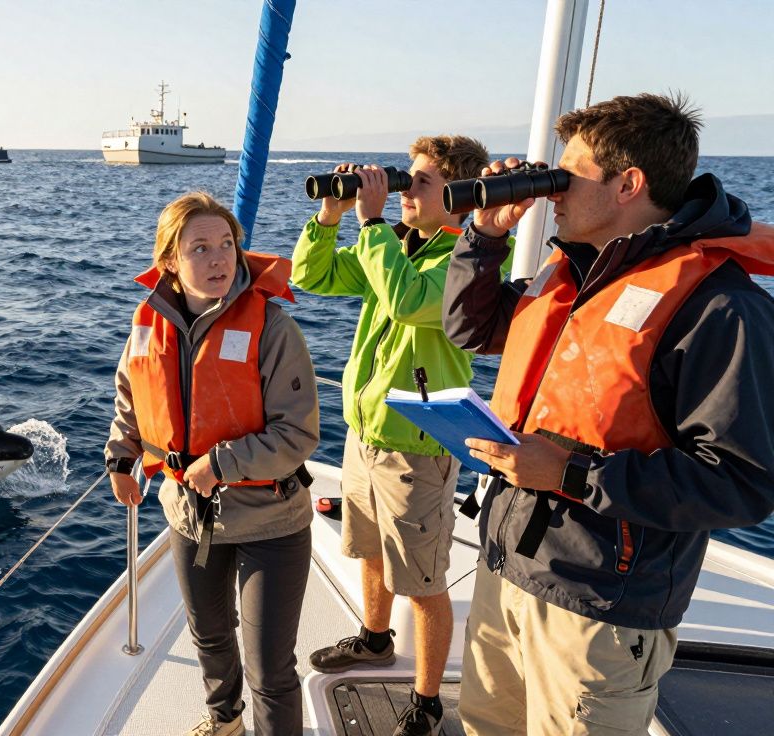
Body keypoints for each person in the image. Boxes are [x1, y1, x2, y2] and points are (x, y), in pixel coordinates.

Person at [442, 92, 774, 735]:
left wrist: (571, 475)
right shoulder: (574, 274)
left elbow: (742, 481)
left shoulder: (719, 307)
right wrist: (484, 234)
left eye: (569, 175)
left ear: (630, 183)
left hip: (599, 609)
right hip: (508, 567)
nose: (554, 191)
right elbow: (469, 326)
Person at [291, 136, 497, 736]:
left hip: (417, 444)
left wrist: (374, 222)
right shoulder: (402, 246)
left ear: (457, 197)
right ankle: (375, 640)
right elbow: (314, 275)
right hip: (366, 432)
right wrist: (329, 219)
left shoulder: (463, 261)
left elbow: (408, 303)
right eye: (407, 178)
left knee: (424, 582)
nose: (406, 190)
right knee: (371, 549)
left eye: (420, 182)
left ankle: (428, 702)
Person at [106, 191, 320, 736]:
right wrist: (121, 455)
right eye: (200, 248)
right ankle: (225, 722)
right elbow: (132, 395)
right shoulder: (148, 322)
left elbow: (298, 434)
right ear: (170, 263)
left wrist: (220, 464)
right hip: (188, 513)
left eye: (226, 244)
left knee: (270, 667)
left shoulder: (272, 328)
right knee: (209, 635)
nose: (219, 258)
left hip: (270, 520)